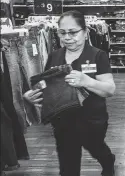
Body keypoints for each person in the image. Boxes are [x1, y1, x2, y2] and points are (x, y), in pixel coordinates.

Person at [23, 10, 116, 176]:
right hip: (62, 120)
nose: (67, 37)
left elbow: (110, 89)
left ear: (86, 32)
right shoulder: (54, 56)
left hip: (92, 119)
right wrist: (33, 94)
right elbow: (47, 86)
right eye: (62, 32)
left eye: (73, 32)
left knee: (96, 148)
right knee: (68, 166)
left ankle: (108, 161)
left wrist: (87, 81)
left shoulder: (98, 55)